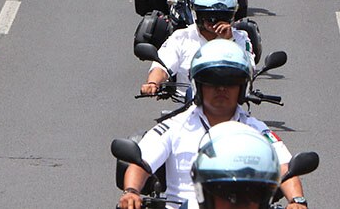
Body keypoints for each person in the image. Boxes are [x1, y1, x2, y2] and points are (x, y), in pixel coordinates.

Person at [119, 40, 305, 209]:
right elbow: (142, 162)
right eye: (212, 82)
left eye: (230, 82)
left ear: (242, 87)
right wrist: (131, 192)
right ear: (198, 86)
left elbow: (285, 166)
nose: (221, 89)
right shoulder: (173, 127)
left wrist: (296, 200)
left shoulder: (257, 130)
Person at [140, 0, 251, 94]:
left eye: (222, 16)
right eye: (209, 16)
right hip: (188, 106)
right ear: (197, 13)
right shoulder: (181, 37)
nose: (214, 22)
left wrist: (229, 41)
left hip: (229, 106)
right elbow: (163, 65)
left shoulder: (241, 38)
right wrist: (153, 83)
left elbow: (249, 68)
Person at [190, 121, 284, 209]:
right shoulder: (178, 125)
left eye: (253, 194)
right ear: (205, 195)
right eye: (227, 194)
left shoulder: (255, 124)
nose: (241, 205)